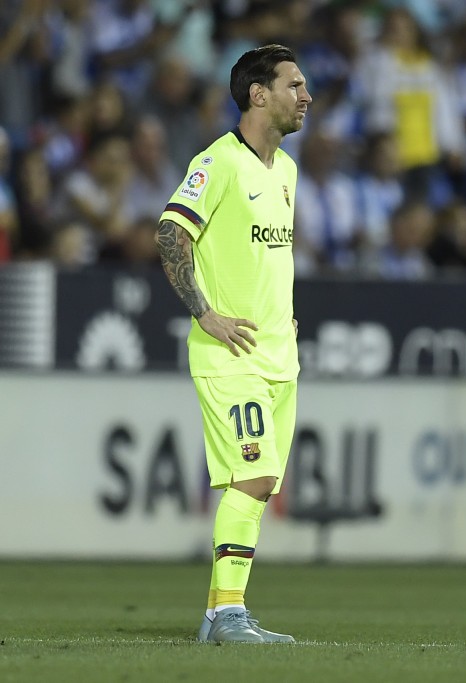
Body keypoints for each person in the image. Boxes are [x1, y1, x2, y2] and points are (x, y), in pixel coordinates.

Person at [154, 44, 311, 644]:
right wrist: (205, 313)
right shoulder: (217, 162)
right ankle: (225, 615)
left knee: (262, 484)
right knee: (251, 478)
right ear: (258, 94)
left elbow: (269, 261)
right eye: (294, 85)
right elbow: (171, 232)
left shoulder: (288, 172)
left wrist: (286, 319)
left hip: (279, 356)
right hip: (230, 356)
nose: (307, 96)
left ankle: (223, 612)